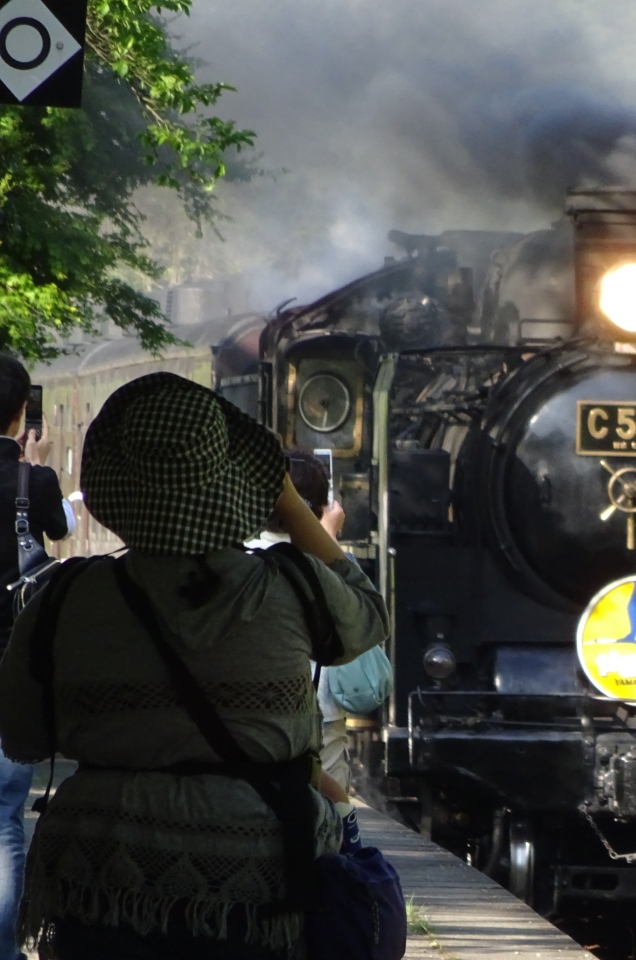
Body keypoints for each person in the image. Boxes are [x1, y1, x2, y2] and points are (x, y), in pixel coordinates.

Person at [0, 372, 388, 959]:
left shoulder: (65, 597)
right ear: (235, 482)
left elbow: (24, 737)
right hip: (259, 881)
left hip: (101, 876)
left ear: (116, 485)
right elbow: (368, 615)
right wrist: (288, 501)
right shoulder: (293, 585)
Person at [0, 356, 67, 960]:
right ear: (23, 411)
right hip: (9, 671)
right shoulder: (32, 483)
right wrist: (35, 469)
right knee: (4, 820)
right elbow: (63, 530)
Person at [245, 450, 358, 792]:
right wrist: (328, 540)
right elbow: (366, 625)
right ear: (323, 507)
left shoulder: (239, 560)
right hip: (321, 719)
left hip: (251, 721)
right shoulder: (332, 565)